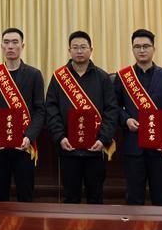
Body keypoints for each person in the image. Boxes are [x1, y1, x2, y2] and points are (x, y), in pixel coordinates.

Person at [45, 30, 118, 204]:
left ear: (91, 50)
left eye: (83, 47)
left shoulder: (102, 77)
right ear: (69, 50)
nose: (79, 51)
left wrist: (103, 139)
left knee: (95, 198)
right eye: (75, 47)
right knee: (71, 198)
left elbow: (111, 110)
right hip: (68, 148)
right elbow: (51, 109)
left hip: (95, 149)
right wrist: (60, 137)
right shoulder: (59, 77)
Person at [114, 28, 162, 206]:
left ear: (154, 49)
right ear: (132, 49)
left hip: (160, 147)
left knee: (161, 199)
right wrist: (126, 119)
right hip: (133, 147)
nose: (142, 50)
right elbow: (114, 107)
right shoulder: (123, 77)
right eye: (137, 47)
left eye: (146, 46)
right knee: (134, 198)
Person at [0, 27, 45, 202]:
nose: (10, 46)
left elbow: (40, 110)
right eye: (6, 42)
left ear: (22, 46)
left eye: (15, 42)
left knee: (25, 195)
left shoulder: (34, 75)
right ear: (2, 46)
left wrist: (29, 137)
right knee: (0, 195)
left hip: (24, 145)